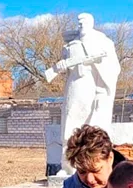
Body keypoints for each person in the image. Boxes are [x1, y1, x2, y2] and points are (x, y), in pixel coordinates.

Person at [51, 13, 121, 177]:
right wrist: (61, 65)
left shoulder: (103, 42)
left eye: (85, 21)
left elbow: (113, 68)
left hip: (93, 86)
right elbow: (64, 67)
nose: (81, 24)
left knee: (93, 129)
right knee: (70, 125)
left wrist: (98, 65)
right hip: (75, 87)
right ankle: (68, 166)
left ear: (92, 23)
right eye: (79, 22)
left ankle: (93, 165)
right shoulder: (71, 45)